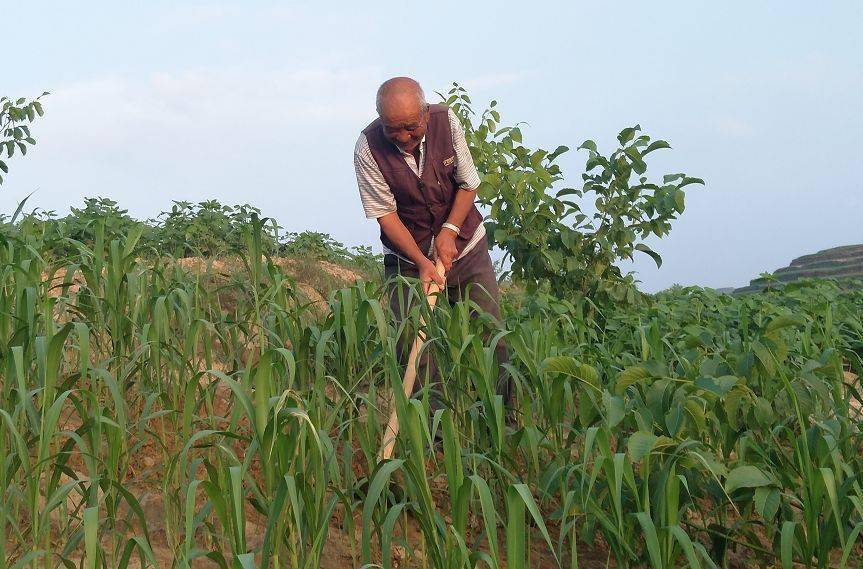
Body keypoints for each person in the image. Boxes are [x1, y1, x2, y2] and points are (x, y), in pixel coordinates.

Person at [353, 76, 511, 409]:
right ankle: (435, 434)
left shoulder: (445, 121)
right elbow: (386, 216)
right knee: (411, 340)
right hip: (408, 261)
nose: (403, 137)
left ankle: (505, 422)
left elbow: (469, 184)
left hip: (466, 249)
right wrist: (422, 262)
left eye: (411, 126)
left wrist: (450, 230)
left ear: (424, 114)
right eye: (392, 129)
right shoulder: (367, 148)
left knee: (490, 333)